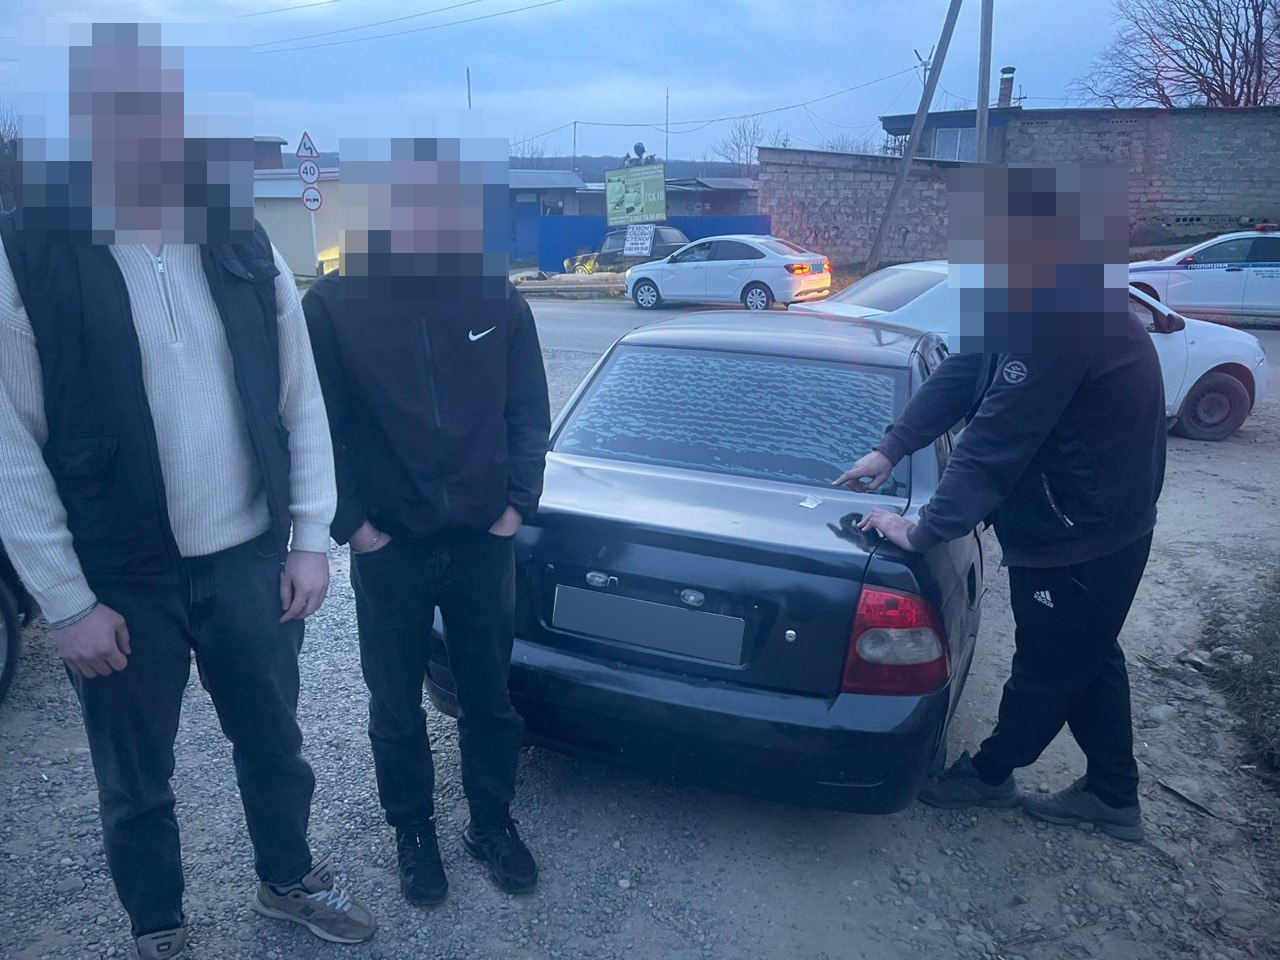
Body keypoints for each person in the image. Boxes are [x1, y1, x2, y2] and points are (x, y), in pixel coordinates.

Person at [0, 25, 374, 959]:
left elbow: (299, 398)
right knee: (136, 781)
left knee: (276, 745)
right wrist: (65, 601)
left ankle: (288, 882)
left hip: (249, 561)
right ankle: (159, 929)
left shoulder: (237, 235)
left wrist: (308, 539)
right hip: (120, 579)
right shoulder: (30, 251)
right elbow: (10, 447)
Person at [302, 148, 551, 905]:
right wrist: (352, 525)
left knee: (489, 699)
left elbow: (527, 410)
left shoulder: (494, 298)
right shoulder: (334, 306)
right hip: (391, 548)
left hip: (481, 542)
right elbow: (318, 425)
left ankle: (491, 823)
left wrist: (516, 505)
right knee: (394, 707)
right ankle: (413, 831)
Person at [837, 304, 1166, 840]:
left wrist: (924, 530)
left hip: (1079, 536)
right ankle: (1113, 793)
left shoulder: (1059, 318)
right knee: (1086, 651)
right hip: (1093, 523)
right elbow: (965, 369)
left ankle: (990, 776)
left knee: (1046, 664)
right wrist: (891, 449)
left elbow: (996, 436)